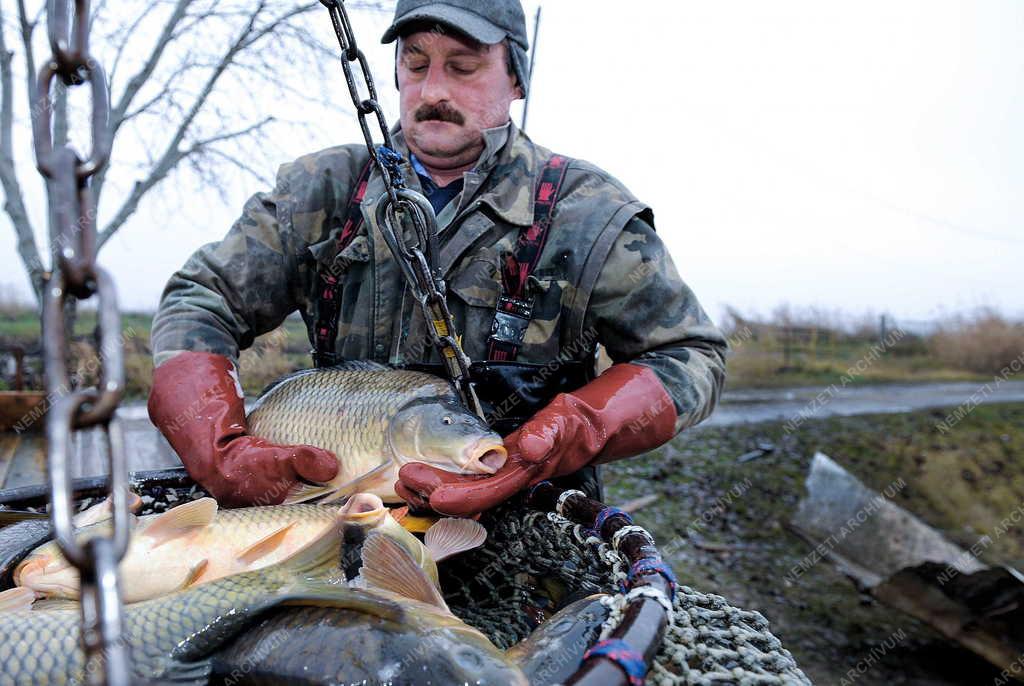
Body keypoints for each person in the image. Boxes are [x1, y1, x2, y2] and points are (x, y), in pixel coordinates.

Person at [147, 0, 728, 514]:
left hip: (527, 525)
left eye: (463, 67)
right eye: (415, 63)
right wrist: (220, 446)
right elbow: (203, 298)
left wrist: (577, 427)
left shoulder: (589, 213)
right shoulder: (323, 189)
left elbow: (687, 355)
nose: (432, 92)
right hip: (340, 517)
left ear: (515, 77)